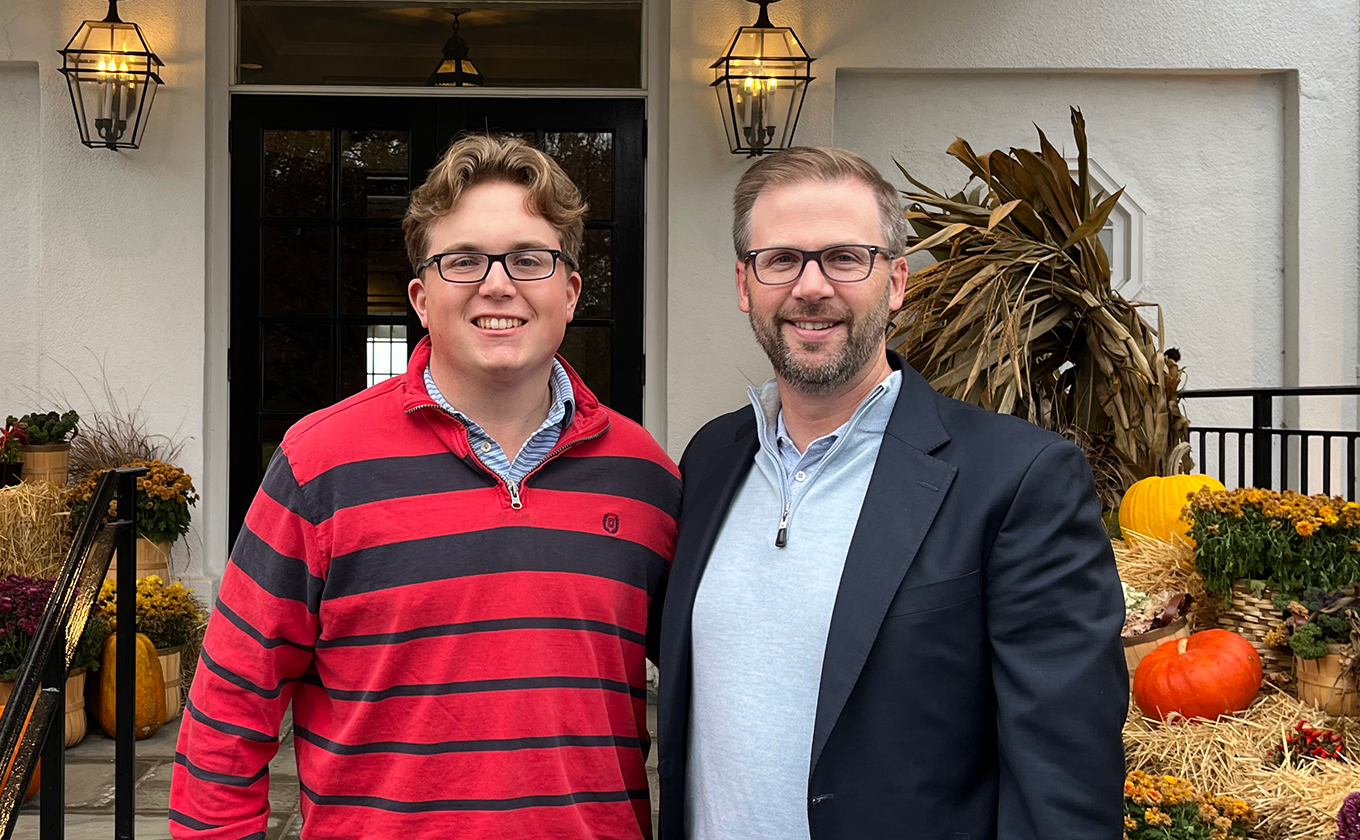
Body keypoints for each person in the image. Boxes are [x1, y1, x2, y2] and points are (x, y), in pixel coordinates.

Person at [172, 134, 680, 840]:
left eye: (529, 259)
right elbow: (231, 704)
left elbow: (713, 689)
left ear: (570, 290)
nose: (497, 284)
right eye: (463, 261)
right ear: (420, 295)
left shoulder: (646, 477)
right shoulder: (319, 465)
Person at [657, 146, 1126, 840]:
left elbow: (1064, 783)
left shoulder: (1015, 480)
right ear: (743, 284)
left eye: (845, 258)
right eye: (780, 259)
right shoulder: (712, 459)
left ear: (897, 281)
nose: (810, 287)